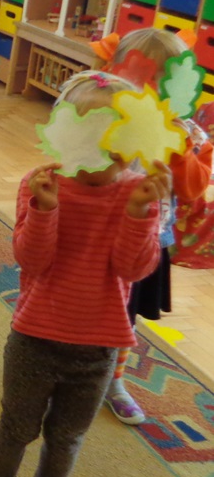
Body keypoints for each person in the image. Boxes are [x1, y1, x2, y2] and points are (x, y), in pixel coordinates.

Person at [0, 71, 168, 477]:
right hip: (35, 338)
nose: (100, 159)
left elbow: (133, 268)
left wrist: (140, 215)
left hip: (99, 347)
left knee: (67, 437)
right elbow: (32, 260)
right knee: (17, 426)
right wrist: (45, 210)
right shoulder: (42, 182)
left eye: (113, 145)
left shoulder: (137, 193)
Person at [95, 29, 213, 424]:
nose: (152, 90)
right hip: (98, 232)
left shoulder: (187, 132)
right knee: (86, 303)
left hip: (148, 239)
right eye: (141, 77)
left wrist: (178, 149)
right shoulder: (104, 116)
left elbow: (193, 189)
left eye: (164, 80)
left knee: (126, 317)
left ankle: (113, 381)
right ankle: (68, 370)